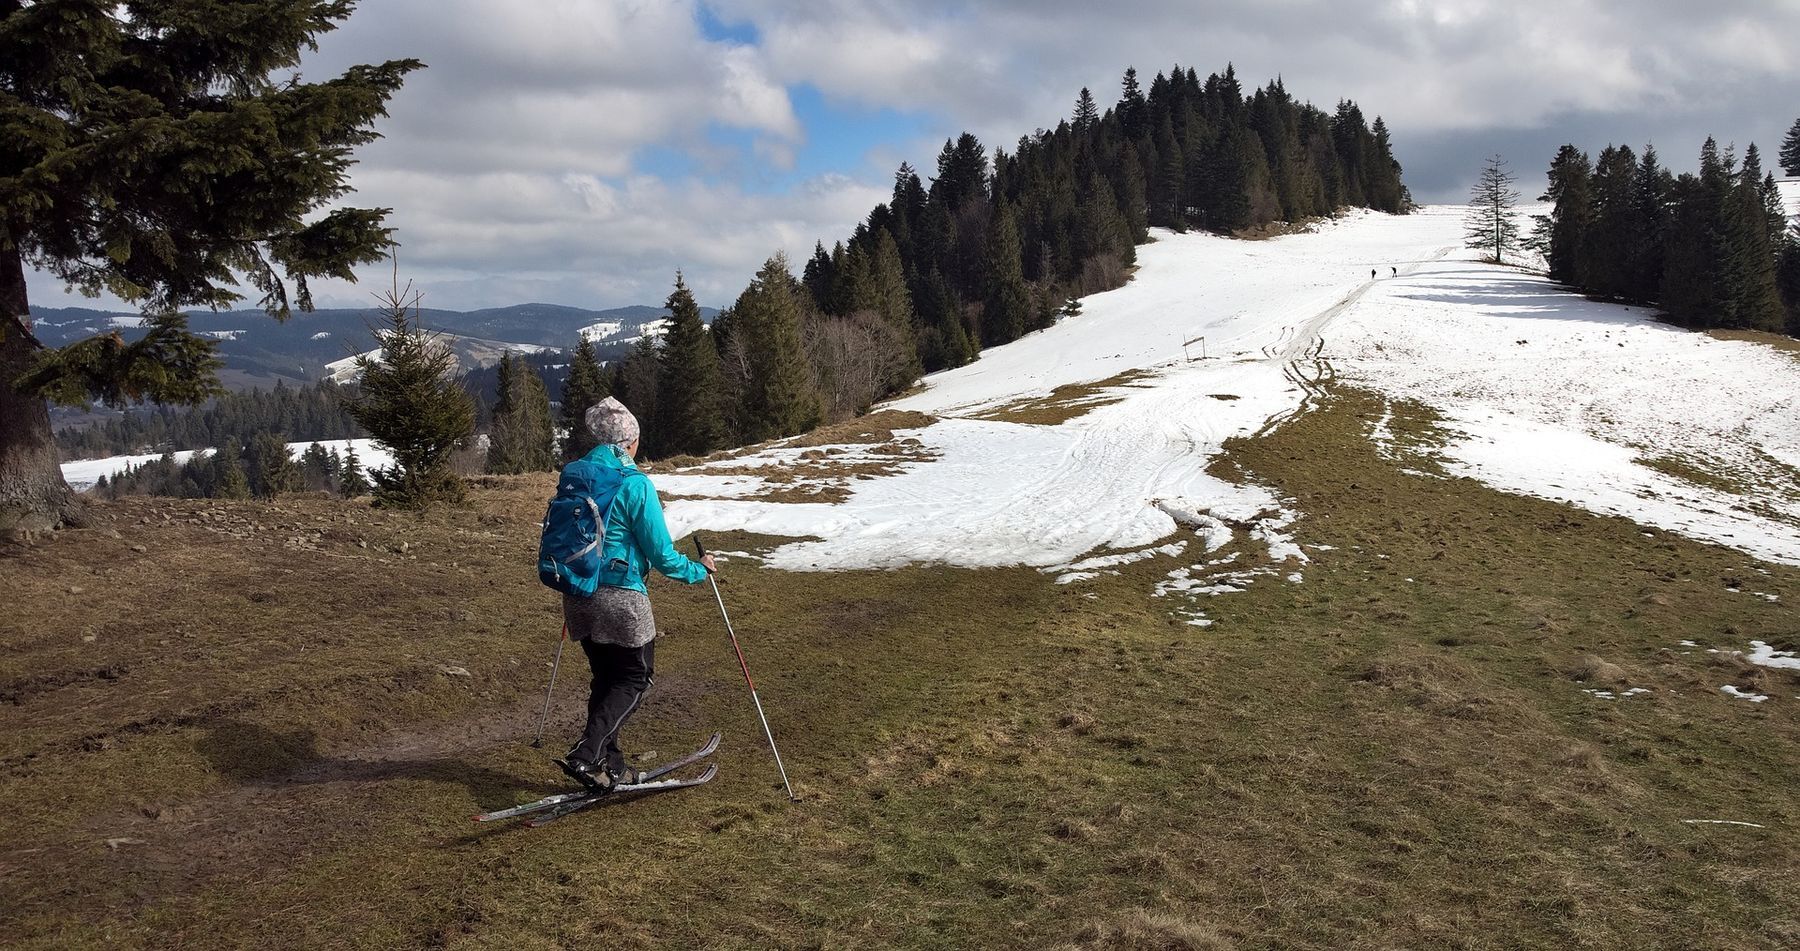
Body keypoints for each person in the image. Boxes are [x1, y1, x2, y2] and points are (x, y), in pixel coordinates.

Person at [558, 397, 714, 791]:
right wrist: (699, 570)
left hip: (578, 593)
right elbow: (661, 554)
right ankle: (587, 754)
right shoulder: (635, 484)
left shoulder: (575, 476)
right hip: (622, 598)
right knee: (634, 679)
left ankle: (609, 765)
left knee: (606, 680)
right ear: (630, 442)